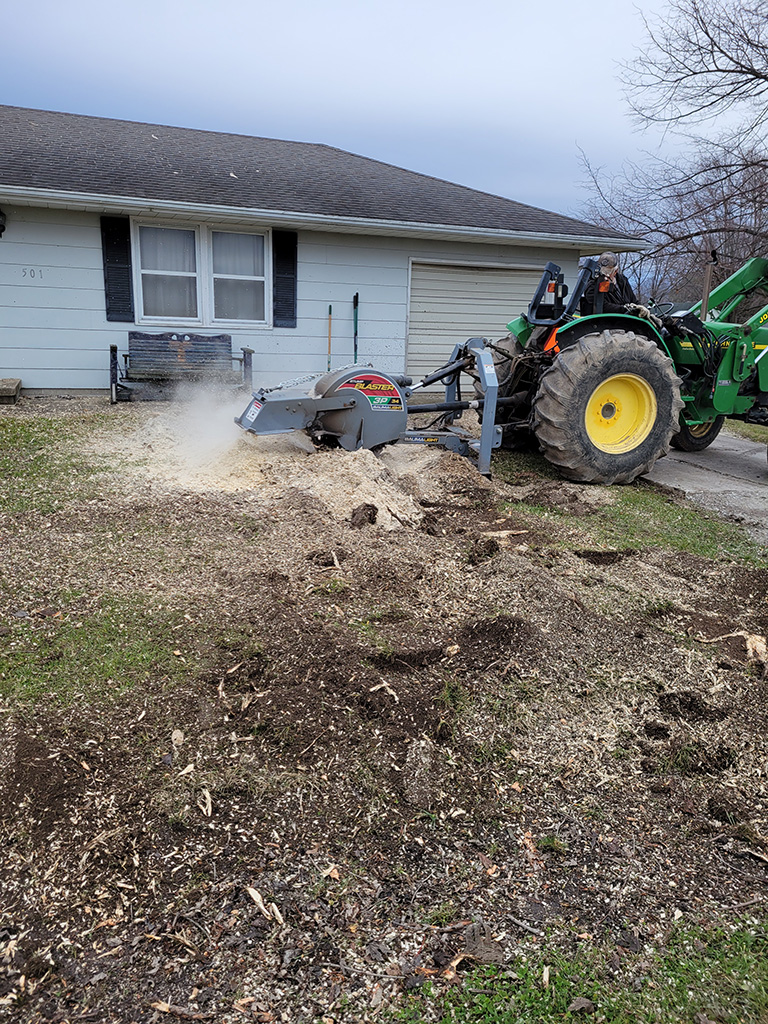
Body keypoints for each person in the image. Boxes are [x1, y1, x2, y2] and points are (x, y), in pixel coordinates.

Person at [580, 252, 654, 320]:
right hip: (607, 321)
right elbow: (603, 306)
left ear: (616, 271)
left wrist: (640, 308)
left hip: (626, 320)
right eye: (603, 274)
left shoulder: (622, 280)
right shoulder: (592, 286)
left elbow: (633, 300)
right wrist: (626, 309)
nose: (605, 278)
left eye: (608, 274)